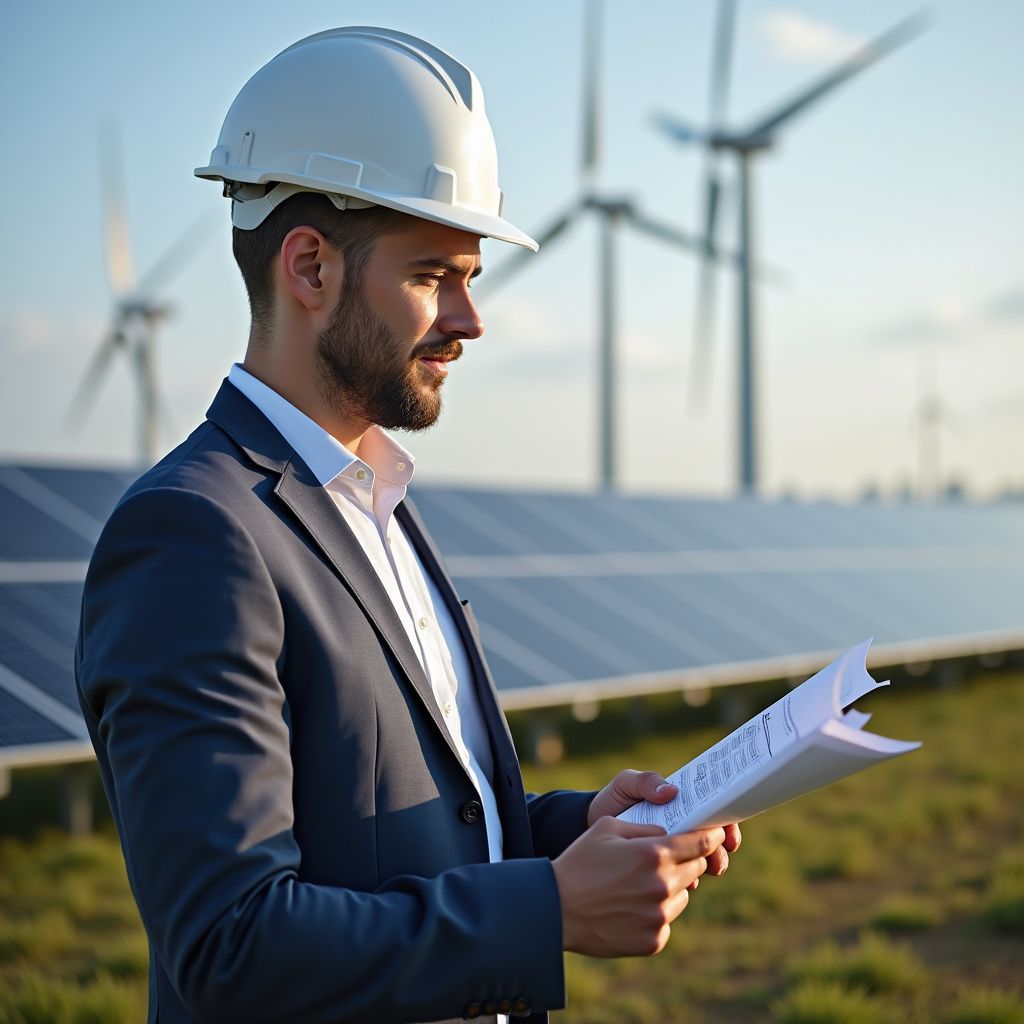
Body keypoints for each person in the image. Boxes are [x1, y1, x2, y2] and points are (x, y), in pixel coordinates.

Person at [75, 27, 741, 1024]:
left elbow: (407, 829)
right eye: (436, 274)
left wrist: (572, 830)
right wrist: (548, 907)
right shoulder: (192, 536)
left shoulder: (374, 501)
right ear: (309, 268)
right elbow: (229, 940)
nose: (471, 319)